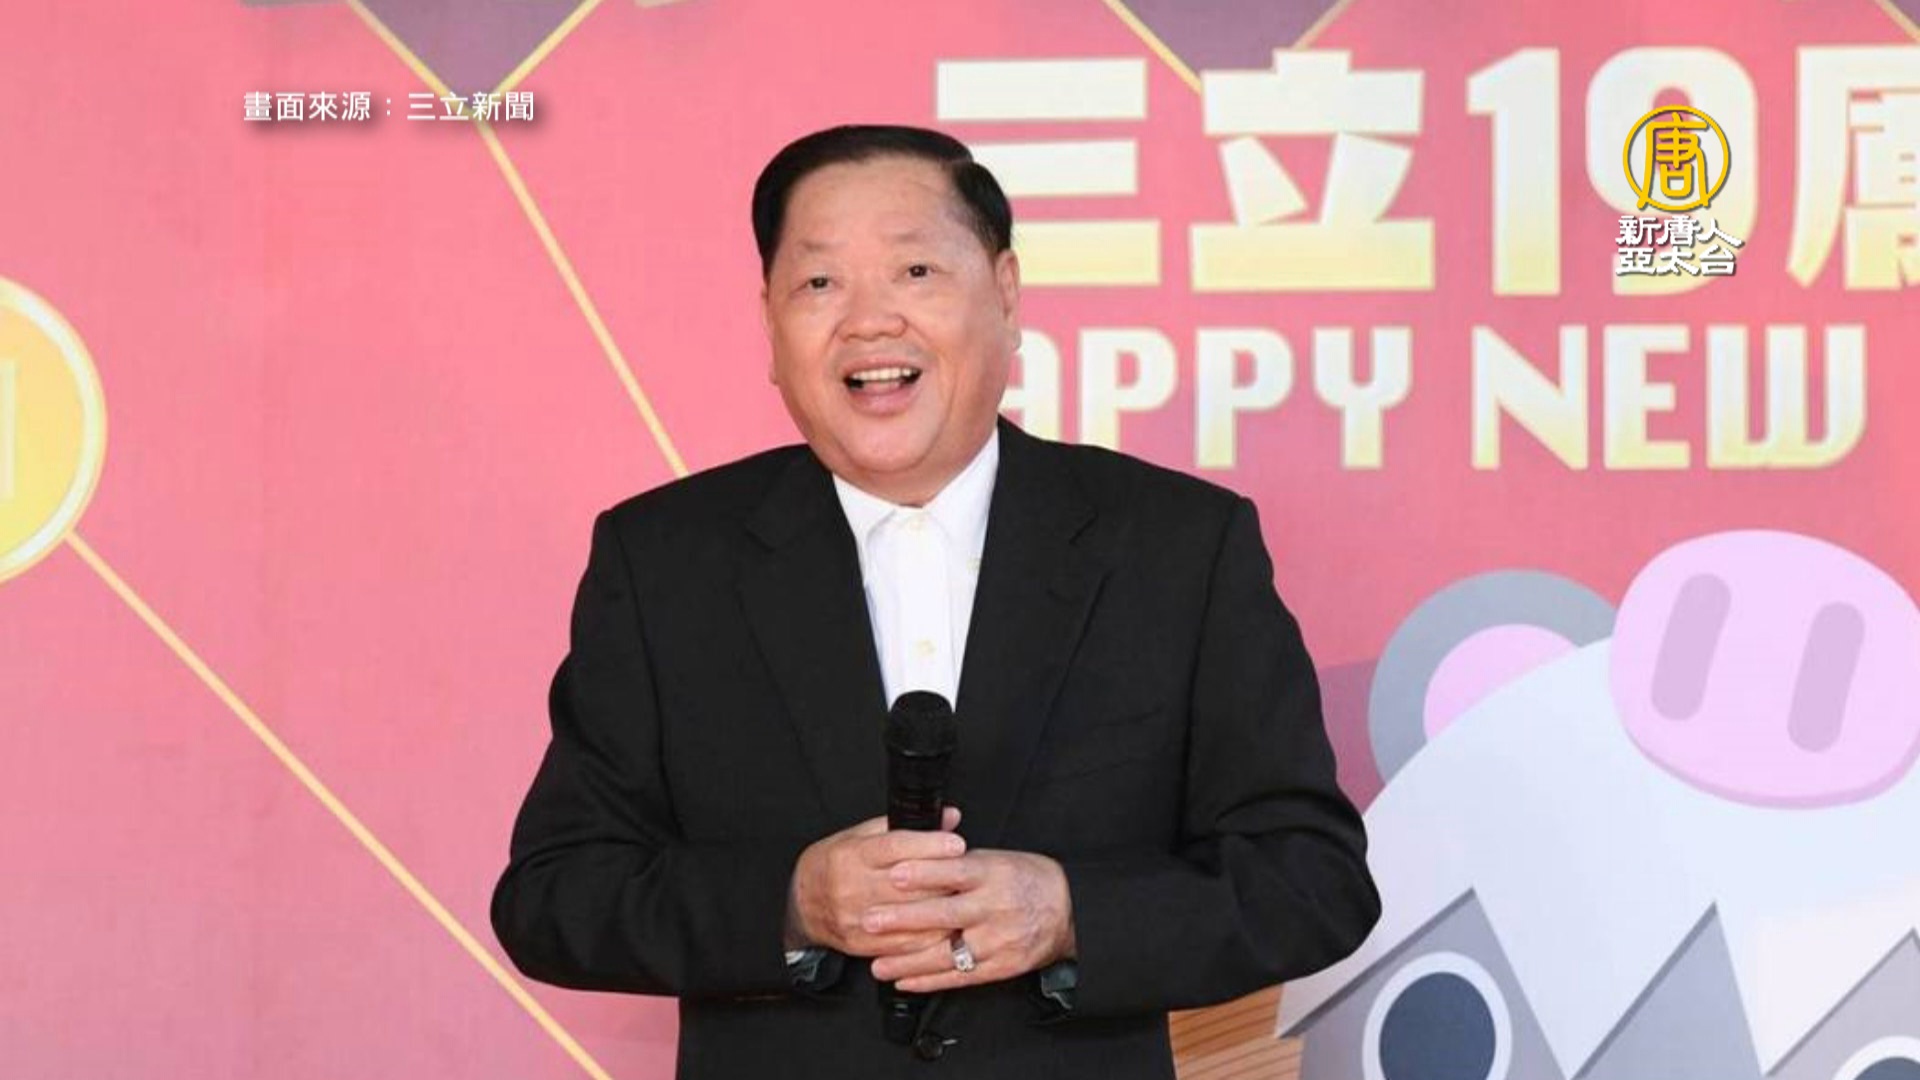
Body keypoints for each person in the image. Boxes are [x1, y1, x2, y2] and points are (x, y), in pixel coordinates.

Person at [491, 125, 1379, 1079]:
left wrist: (1070, 914)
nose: (870, 322)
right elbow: (555, 892)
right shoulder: (666, 561)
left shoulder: (1175, 547)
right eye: (819, 283)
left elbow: (1310, 878)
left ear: (1006, 294)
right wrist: (791, 902)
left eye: (915, 271)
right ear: (770, 326)